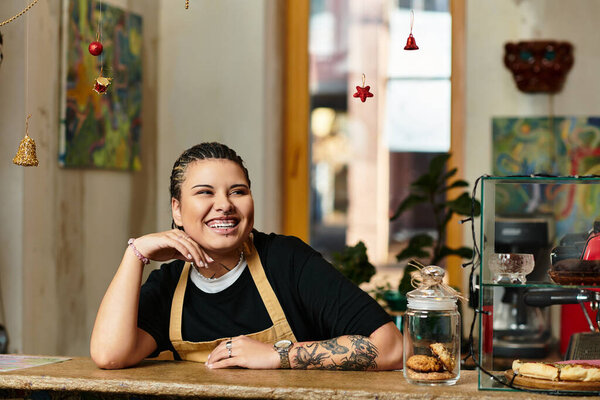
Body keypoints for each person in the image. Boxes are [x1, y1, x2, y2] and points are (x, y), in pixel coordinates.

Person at [90, 142, 403, 371]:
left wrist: (278, 356)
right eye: (205, 192)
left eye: (238, 191)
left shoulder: (286, 261)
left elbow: (391, 347)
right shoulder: (169, 287)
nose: (225, 204)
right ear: (177, 209)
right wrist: (136, 254)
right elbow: (109, 355)